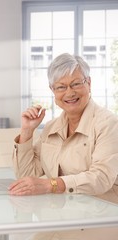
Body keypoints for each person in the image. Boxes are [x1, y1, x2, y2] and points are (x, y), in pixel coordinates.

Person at [9, 53, 118, 203]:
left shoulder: (108, 124)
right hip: (60, 212)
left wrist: (51, 185)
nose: (70, 92)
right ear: (52, 90)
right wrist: (27, 132)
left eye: (76, 84)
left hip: (99, 215)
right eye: (61, 87)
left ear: (89, 83)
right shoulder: (51, 127)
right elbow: (26, 175)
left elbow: (101, 177)